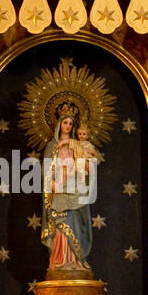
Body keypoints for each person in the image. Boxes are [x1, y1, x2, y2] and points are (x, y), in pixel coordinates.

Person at [41, 108, 95, 273]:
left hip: (74, 189)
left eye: (71, 124)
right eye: (65, 123)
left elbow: (86, 164)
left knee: (76, 223)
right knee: (60, 222)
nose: (68, 126)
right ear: (59, 124)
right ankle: (60, 260)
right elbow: (46, 170)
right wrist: (53, 184)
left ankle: (75, 261)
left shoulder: (77, 145)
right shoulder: (52, 146)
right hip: (58, 189)